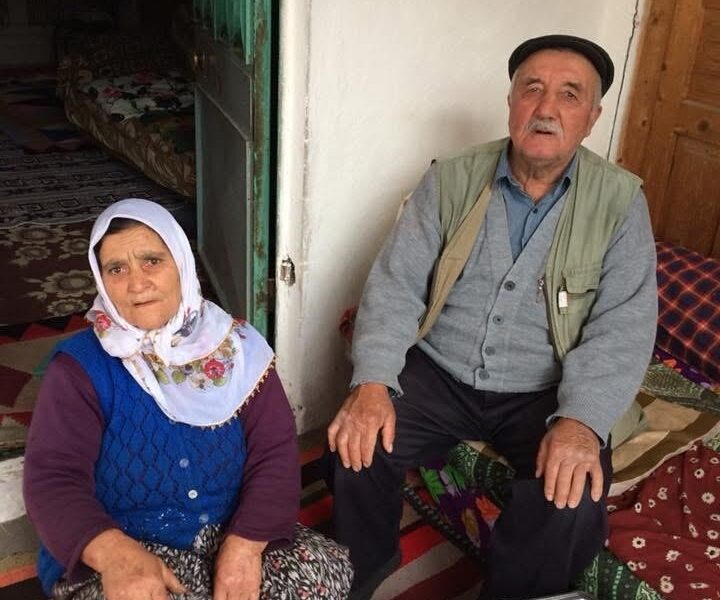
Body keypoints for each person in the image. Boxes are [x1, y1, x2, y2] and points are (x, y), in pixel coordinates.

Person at [325, 34, 658, 600]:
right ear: (510, 102)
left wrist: (582, 421)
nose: (546, 108)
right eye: (532, 89)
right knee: (354, 444)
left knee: (573, 496)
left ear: (592, 117)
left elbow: (623, 325)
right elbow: (396, 284)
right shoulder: (451, 177)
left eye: (570, 95)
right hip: (439, 373)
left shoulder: (621, 202)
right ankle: (362, 567)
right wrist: (374, 380)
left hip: (543, 390)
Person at [23, 199, 353, 600]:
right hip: (123, 547)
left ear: (181, 263)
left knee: (323, 578)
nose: (137, 283)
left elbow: (274, 451)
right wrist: (115, 556)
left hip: (232, 530)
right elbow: (53, 478)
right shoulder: (79, 368)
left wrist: (245, 546)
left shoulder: (237, 348)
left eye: (152, 261)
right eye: (117, 269)